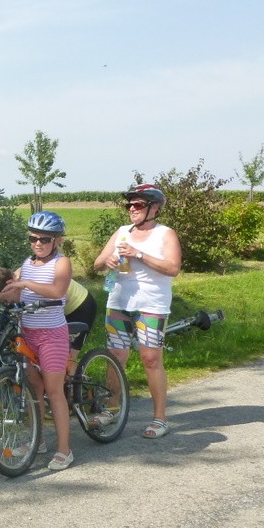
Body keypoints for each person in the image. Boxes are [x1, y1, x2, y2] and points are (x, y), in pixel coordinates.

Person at [0, 211, 74, 470]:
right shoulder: (27, 264)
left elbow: (57, 291)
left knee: (54, 391)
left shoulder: (61, 263)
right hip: (28, 334)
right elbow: (16, 295)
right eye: (33, 238)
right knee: (35, 389)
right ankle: (38, 440)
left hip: (52, 335)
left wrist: (25, 283)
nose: (38, 243)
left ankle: (64, 450)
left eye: (44, 239)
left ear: (57, 240)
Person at [93, 184, 182, 439]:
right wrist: (107, 261)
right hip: (119, 302)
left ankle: (160, 418)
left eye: (139, 204)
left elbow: (173, 268)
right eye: (129, 205)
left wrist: (139, 254)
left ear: (155, 208)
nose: (132, 209)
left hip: (151, 305)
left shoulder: (165, 234)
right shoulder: (122, 232)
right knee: (115, 357)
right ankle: (111, 409)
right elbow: (97, 263)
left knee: (151, 359)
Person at [0, 266, 97, 372]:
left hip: (80, 307)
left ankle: (71, 384)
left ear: (9, 284)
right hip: (61, 312)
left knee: (68, 358)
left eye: (6, 300)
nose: (9, 303)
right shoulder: (15, 282)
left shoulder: (35, 279)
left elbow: (64, 298)